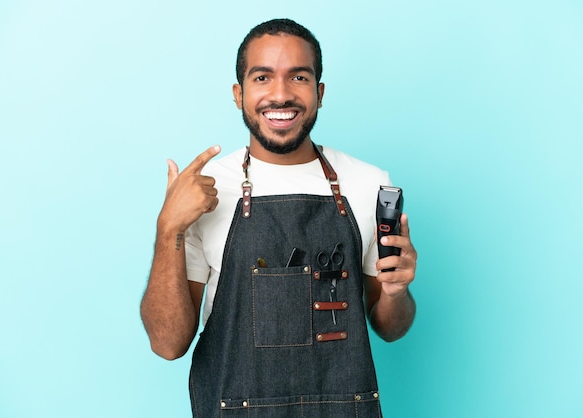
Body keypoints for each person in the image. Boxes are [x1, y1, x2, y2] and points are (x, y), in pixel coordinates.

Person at [141, 18, 417, 417]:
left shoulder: (368, 183)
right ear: (239, 94)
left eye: (299, 78)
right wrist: (169, 227)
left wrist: (396, 292)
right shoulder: (205, 191)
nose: (281, 94)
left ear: (319, 93)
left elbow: (391, 328)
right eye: (262, 78)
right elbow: (168, 344)